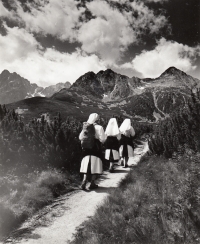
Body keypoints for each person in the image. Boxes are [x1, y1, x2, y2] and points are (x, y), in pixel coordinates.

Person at [79, 113, 106, 190]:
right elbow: (103, 139)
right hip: (95, 148)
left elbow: (80, 137)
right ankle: (92, 183)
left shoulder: (86, 127)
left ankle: (84, 181)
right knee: (95, 165)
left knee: (85, 165)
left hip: (86, 149)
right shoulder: (99, 127)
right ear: (97, 119)